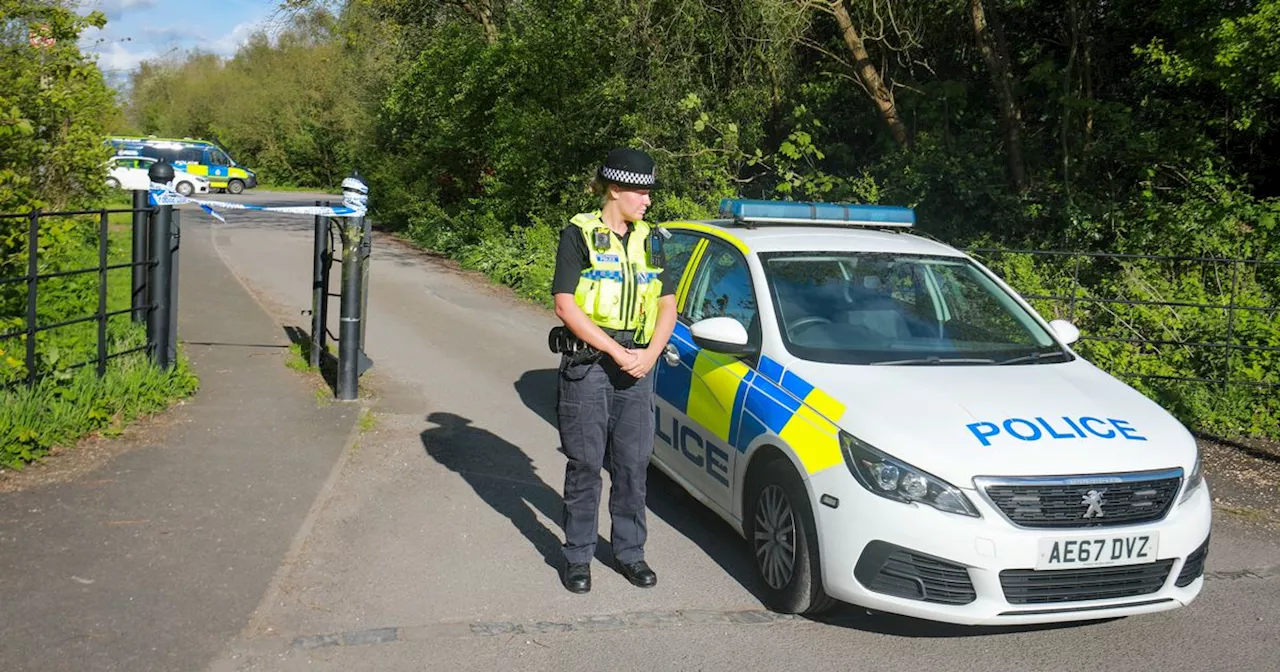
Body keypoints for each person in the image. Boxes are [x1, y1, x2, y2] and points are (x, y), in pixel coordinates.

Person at [549, 147, 678, 594]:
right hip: (590, 364)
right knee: (585, 464)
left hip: (638, 364)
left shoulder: (654, 239)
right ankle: (578, 556)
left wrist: (649, 354)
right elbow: (566, 305)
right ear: (616, 189)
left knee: (632, 465)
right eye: (642, 191)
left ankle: (629, 554)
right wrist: (615, 352)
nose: (648, 201)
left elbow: (667, 304)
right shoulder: (578, 234)